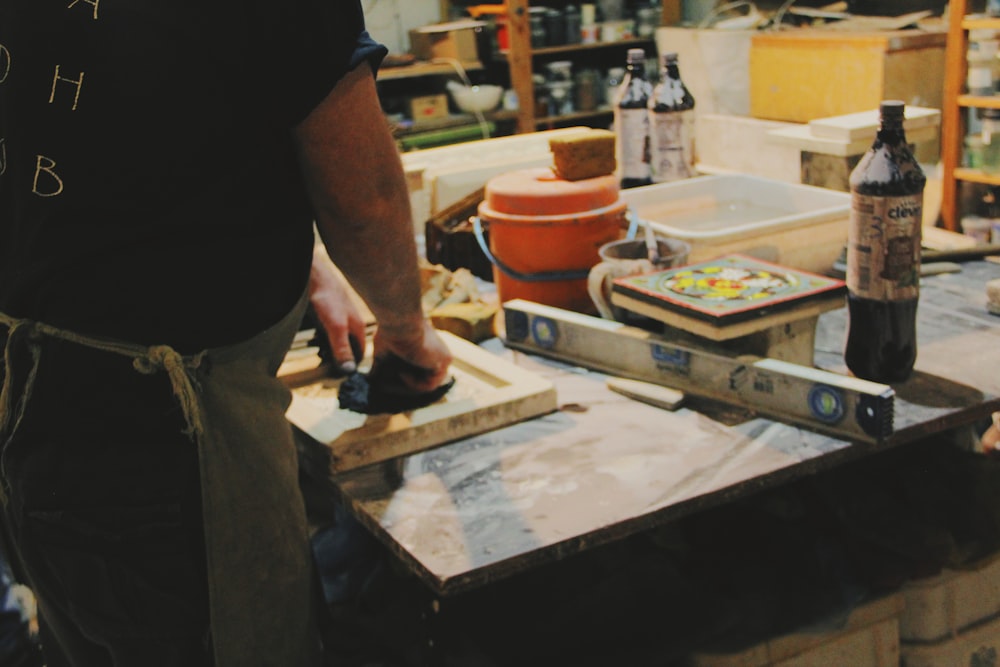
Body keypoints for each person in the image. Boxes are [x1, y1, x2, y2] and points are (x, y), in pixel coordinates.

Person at [0, 2, 451, 665]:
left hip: (32, 407)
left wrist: (305, 259)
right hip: (168, 447)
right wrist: (409, 332)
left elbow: (127, 126)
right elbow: (365, 199)